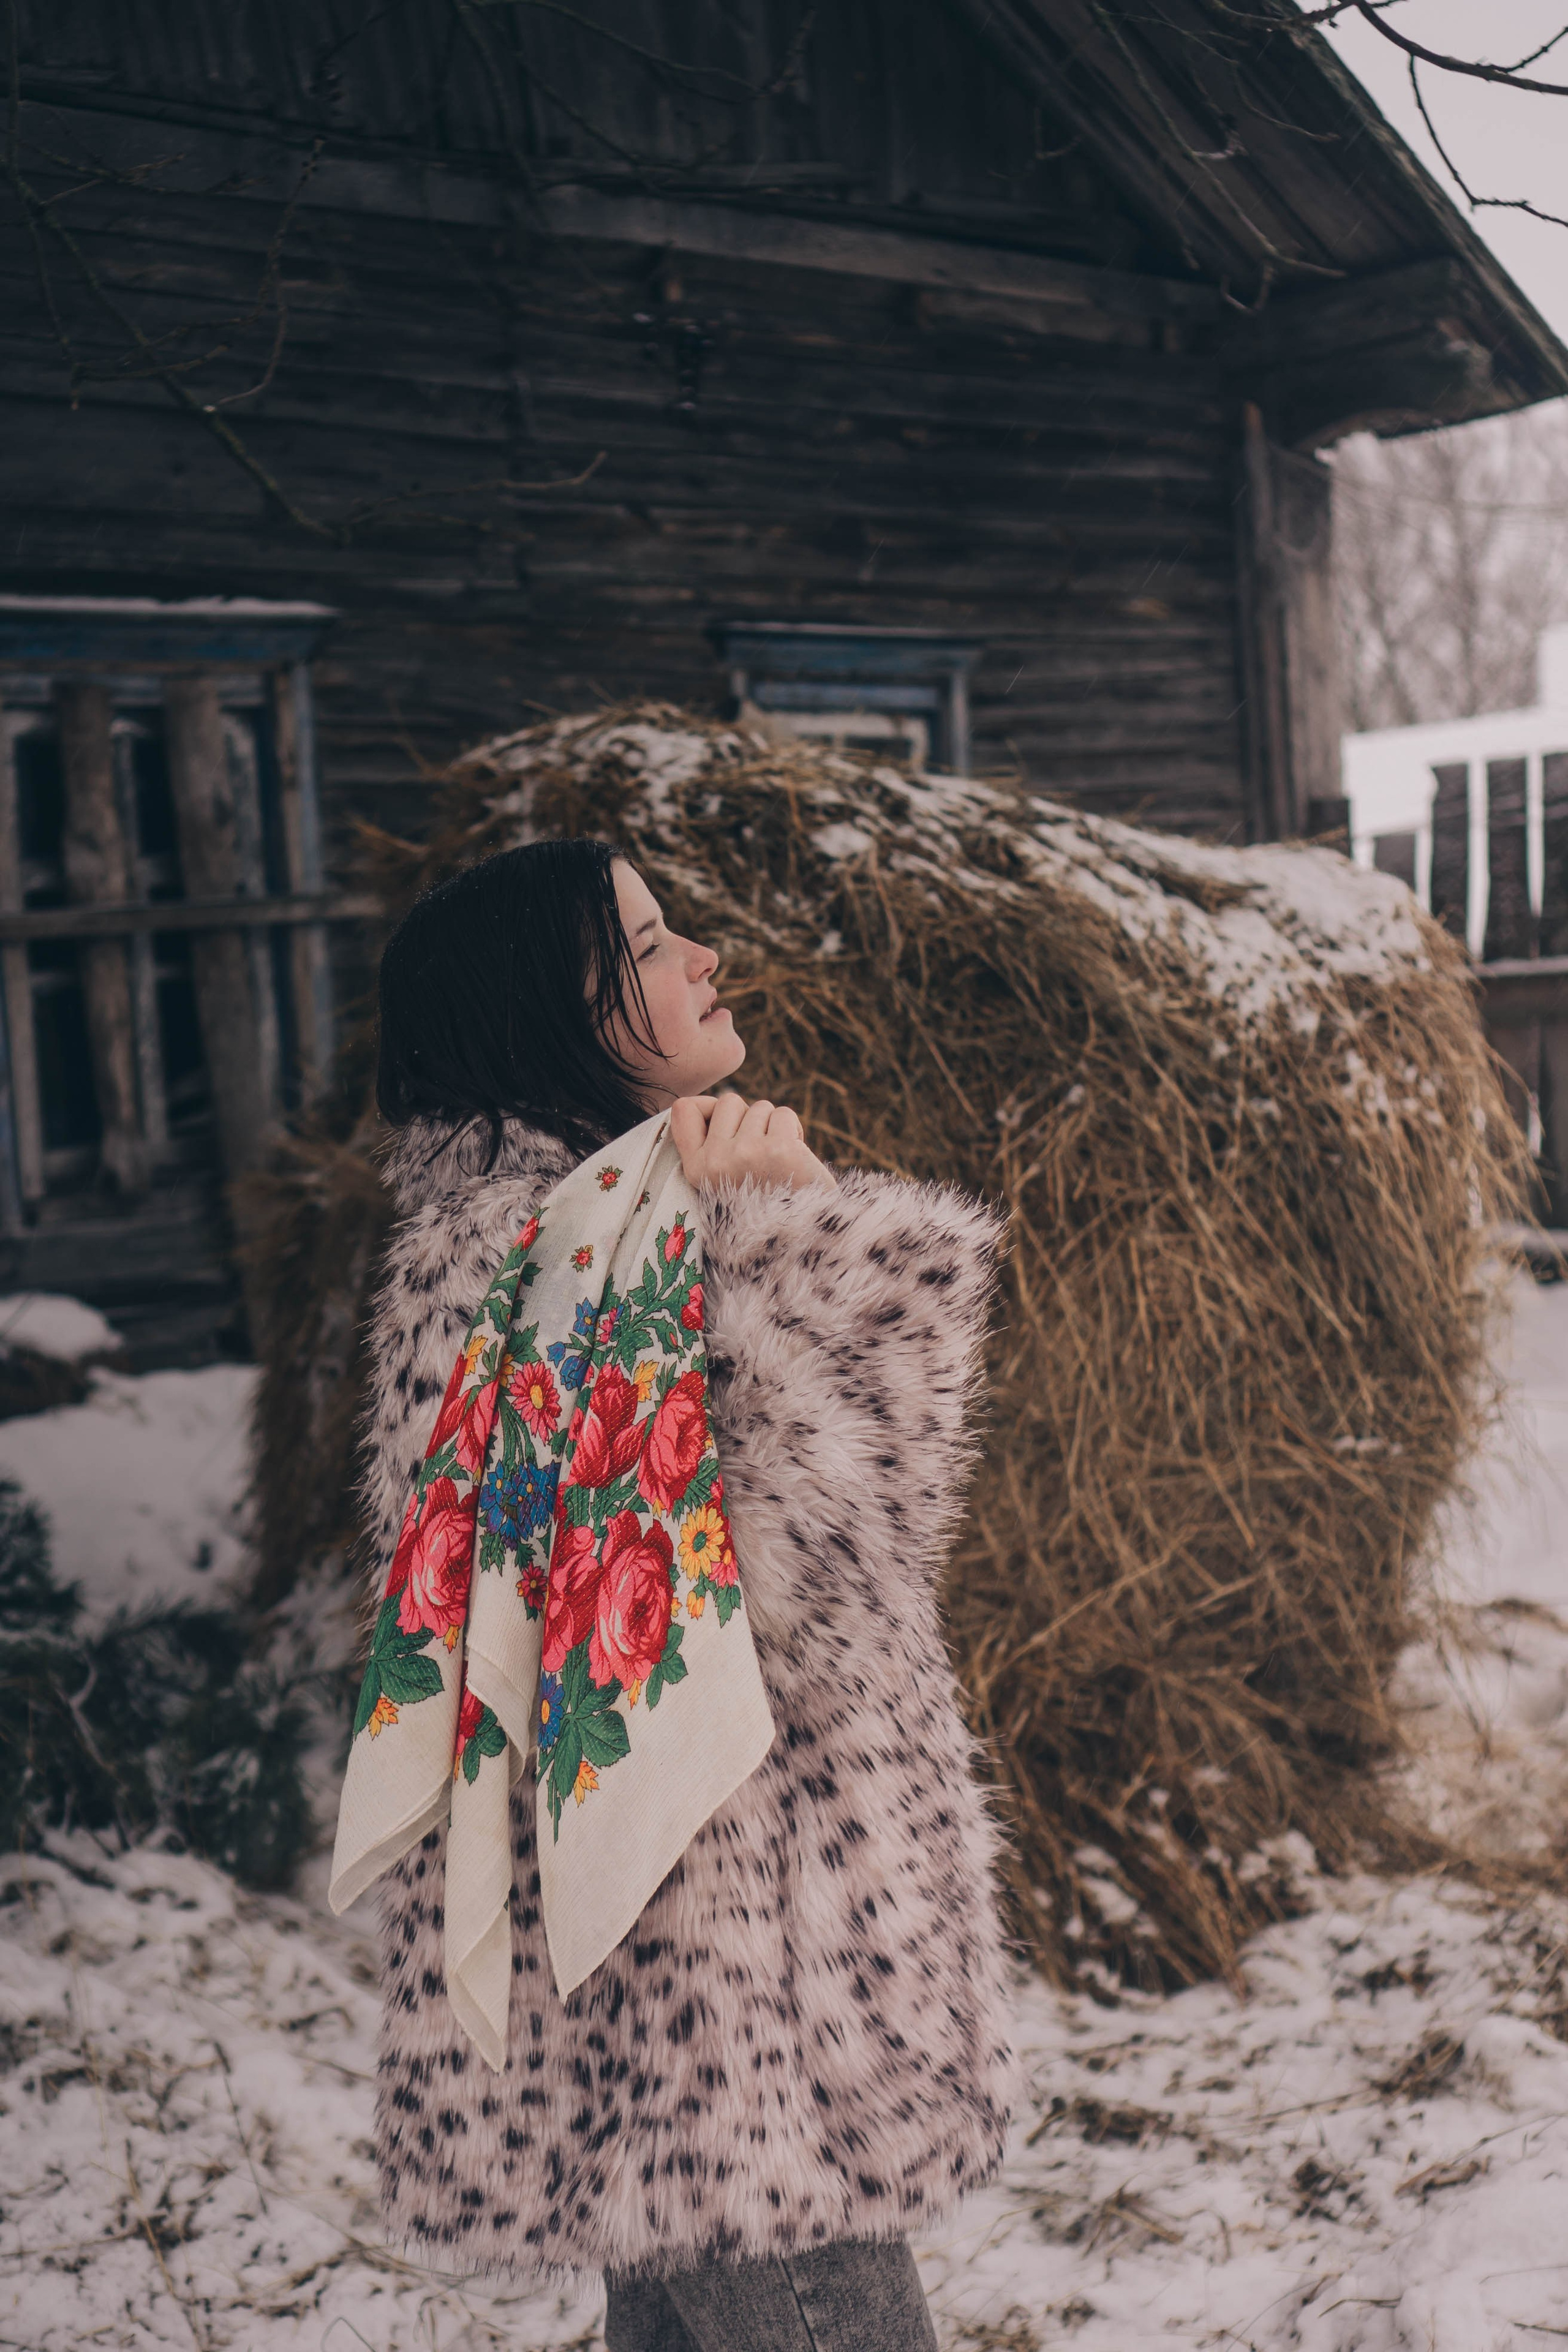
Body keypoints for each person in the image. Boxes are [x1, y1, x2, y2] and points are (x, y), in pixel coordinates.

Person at [362, 837, 1015, 2352]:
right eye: (650, 944)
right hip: (718, 1996)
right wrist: (798, 1227)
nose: (703, 957)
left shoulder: (576, 1230)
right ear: (551, 1008)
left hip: (685, 1971)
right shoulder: (557, 1260)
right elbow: (809, 1589)